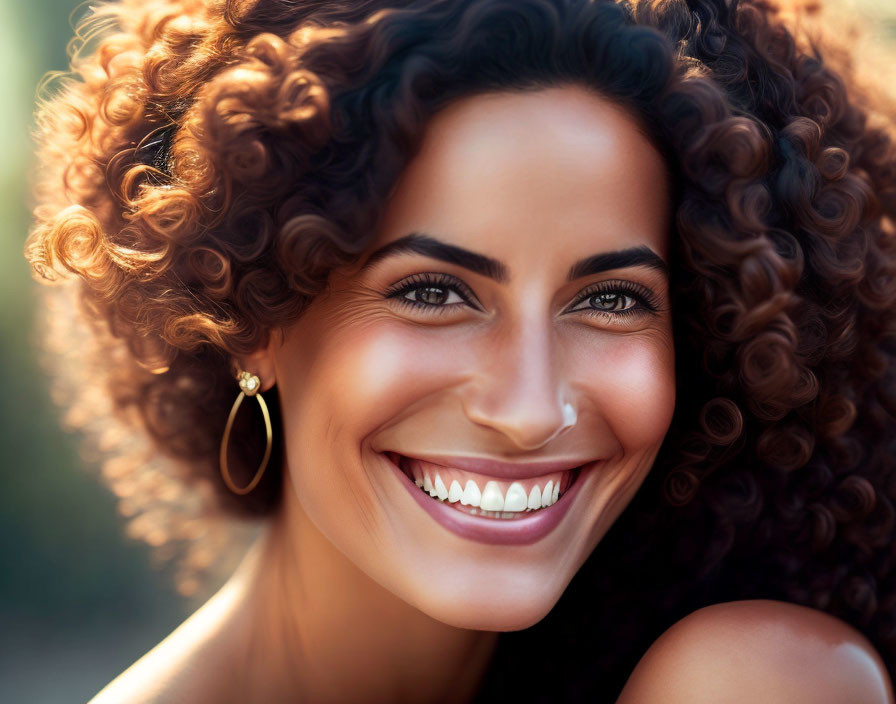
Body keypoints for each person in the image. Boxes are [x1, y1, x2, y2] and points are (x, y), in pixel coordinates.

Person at [24, 0, 896, 700]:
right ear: (252, 317)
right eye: (433, 293)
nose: (528, 409)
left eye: (610, 299)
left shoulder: (757, 681)